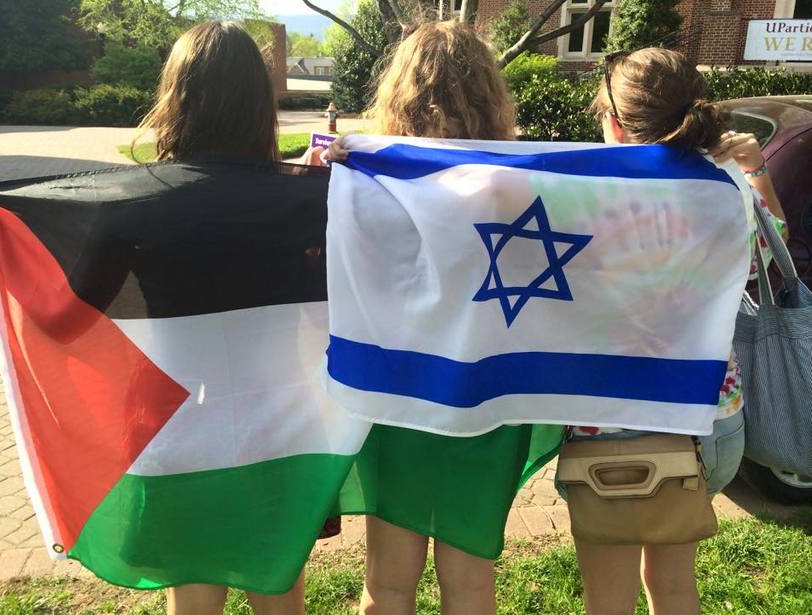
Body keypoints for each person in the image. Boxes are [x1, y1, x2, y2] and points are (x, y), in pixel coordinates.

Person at [320, 21, 560, 615]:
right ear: (488, 93)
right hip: (487, 404)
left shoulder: (366, 180)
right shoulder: (525, 184)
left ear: (399, 91)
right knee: (472, 585)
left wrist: (328, 171)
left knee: (387, 587)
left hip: (398, 396)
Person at [564, 47, 786, 615]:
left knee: (607, 598)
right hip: (711, 419)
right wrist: (755, 169)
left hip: (611, 423)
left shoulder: (581, 192)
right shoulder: (729, 183)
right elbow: (772, 250)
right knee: (674, 586)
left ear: (613, 122)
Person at [135, 20, 309, 615]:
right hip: (278, 425)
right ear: (261, 105)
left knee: (193, 594)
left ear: (175, 100)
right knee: (277, 587)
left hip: (178, 423)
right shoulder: (304, 201)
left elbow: (75, 302)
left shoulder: (140, 202)